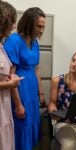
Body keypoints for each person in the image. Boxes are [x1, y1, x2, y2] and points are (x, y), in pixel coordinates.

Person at [4, 7, 47, 150]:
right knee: (21, 129)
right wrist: (18, 105)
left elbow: (36, 69)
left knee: (32, 127)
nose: (41, 30)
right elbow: (10, 76)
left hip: (32, 92)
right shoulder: (14, 40)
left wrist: (41, 93)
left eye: (43, 27)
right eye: (38, 26)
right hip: (20, 92)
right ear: (29, 23)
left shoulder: (35, 43)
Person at [0, 1, 23, 150]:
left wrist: (8, 78)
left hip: (4, 106)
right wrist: (9, 84)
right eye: (12, 21)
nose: (14, 26)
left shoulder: (1, 46)